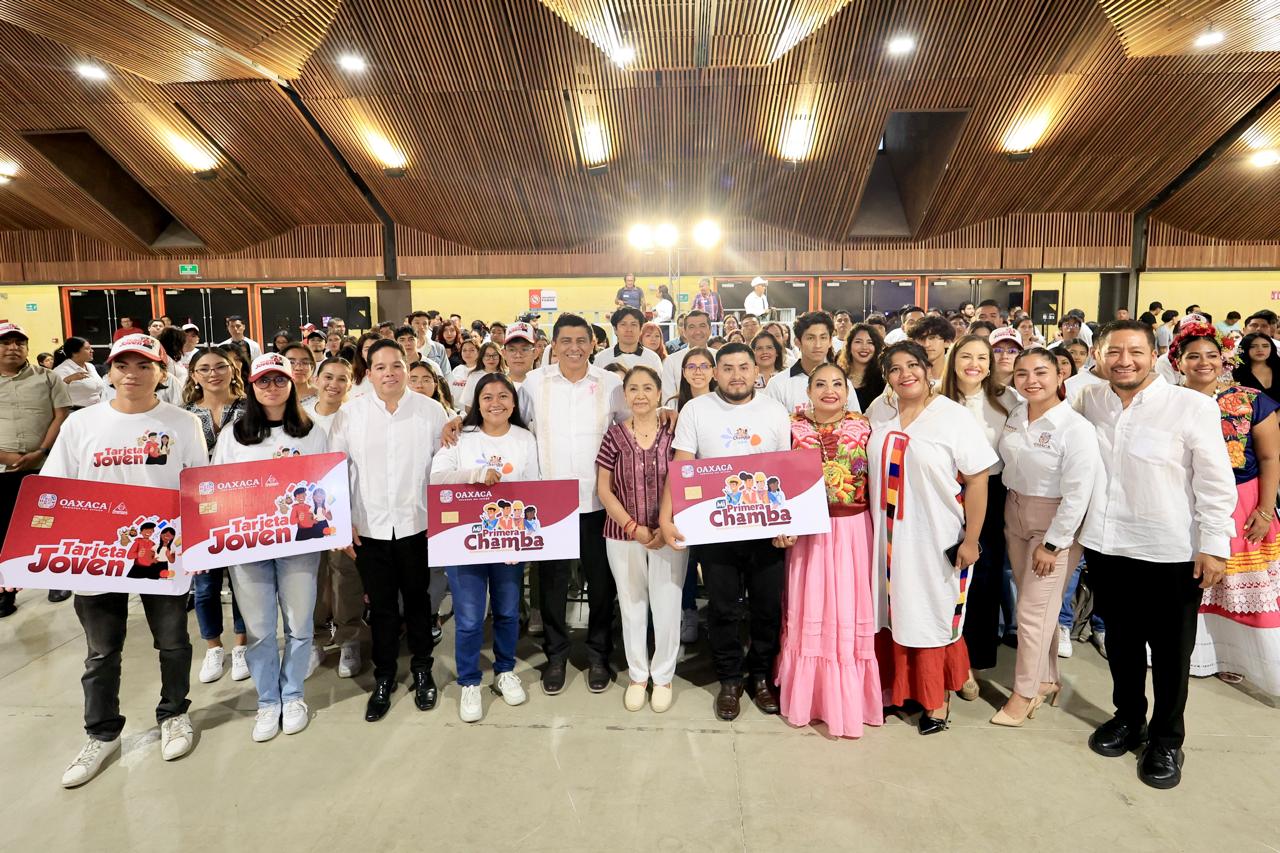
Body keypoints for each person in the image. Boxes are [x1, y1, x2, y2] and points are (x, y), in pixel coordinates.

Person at [35, 333, 204, 786]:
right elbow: (53, 490)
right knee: (101, 652)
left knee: (173, 642)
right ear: (109, 372)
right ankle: (102, 732)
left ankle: (174, 714)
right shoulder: (81, 424)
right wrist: (28, 552)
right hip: (96, 555)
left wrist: (200, 546)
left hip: (165, 555)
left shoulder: (183, 423)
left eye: (144, 365)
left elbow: (197, 487)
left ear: (161, 373)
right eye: (122, 365)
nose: (132, 374)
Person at [1076, 319, 1235, 790]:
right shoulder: (1090, 400)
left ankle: (1167, 739)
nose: (1124, 361)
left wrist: (1214, 546)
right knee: (1121, 646)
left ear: (1155, 356)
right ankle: (1129, 718)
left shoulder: (1191, 407)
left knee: (1170, 655)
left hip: (1171, 551)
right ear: (1098, 356)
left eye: (1135, 352)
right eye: (1113, 352)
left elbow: (1215, 481)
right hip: (1108, 547)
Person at [867, 341, 996, 735]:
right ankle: (897, 690)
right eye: (895, 368)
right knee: (892, 611)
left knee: (931, 613)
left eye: (912, 365)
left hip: (934, 537)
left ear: (928, 369)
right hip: (885, 541)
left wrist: (971, 539)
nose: (905, 374)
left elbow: (977, 481)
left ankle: (936, 699)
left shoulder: (953, 417)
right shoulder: (878, 412)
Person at [660, 342, 791, 721]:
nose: (736, 375)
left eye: (743, 367)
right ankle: (730, 679)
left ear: (756, 372)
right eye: (728, 368)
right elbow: (682, 468)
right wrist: (667, 518)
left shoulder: (774, 410)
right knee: (722, 609)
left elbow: (784, 471)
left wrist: (788, 524)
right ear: (715, 373)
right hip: (715, 529)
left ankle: (761, 675)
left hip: (766, 530)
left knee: (767, 607)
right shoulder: (696, 410)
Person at [330, 339, 456, 722]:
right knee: (381, 607)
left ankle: (422, 669)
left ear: (407, 367)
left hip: (418, 525)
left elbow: (445, 464)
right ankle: (383, 677)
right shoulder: (350, 415)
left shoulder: (431, 411)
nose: (390, 373)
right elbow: (335, 470)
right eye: (381, 367)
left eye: (397, 365)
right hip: (369, 529)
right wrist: (342, 522)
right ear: (368, 373)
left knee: (419, 603)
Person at [213, 353, 328, 742]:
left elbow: (326, 486)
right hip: (248, 546)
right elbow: (215, 488)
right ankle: (268, 700)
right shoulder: (233, 435)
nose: (272, 387)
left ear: (292, 385)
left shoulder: (312, 432)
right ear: (251, 386)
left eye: (280, 380)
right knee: (260, 629)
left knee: (299, 624)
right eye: (264, 381)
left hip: (299, 543)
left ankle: (293, 694)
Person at [518, 314, 630, 695]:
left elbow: (629, 426)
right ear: (553, 345)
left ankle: (599, 653)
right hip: (550, 504)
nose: (574, 348)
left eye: (582, 340)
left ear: (593, 344)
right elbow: (516, 426)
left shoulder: (610, 384)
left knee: (601, 584)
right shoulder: (535, 383)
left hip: (599, 501)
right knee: (551, 586)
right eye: (565, 340)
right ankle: (556, 656)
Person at [1170, 324, 1280, 696]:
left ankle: (1236, 658)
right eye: (1193, 356)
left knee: (1233, 585)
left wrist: (1264, 511)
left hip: (1241, 501)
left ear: (1224, 359)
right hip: (1182, 499)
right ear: (1179, 362)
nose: (1203, 363)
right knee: (1189, 580)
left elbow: (1270, 457)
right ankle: (1190, 655)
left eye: (1211, 355)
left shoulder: (1251, 400)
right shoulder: (1168, 401)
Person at [773, 363, 882, 738]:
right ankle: (810, 695)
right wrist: (782, 523)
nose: (829, 390)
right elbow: (777, 478)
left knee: (848, 608)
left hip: (853, 530)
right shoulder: (791, 427)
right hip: (807, 533)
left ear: (848, 391)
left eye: (837, 383)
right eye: (820, 384)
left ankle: (849, 699)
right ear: (808, 392)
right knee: (810, 605)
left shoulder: (865, 427)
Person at [992, 347, 1099, 726]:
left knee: (1030, 613)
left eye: (1040, 372)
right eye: (1022, 373)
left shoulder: (1075, 428)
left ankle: (1024, 693)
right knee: (1040, 609)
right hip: (1015, 513)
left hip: (1052, 523)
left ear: (1060, 375)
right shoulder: (1017, 414)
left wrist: (1054, 543)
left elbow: (1079, 493)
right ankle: (1048, 678)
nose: (1031, 380)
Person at [430, 373, 539, 722]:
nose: (496, 403)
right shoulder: (461, 436)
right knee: (469, 617)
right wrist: (475, 475)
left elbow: (535, 486)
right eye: (487, 396)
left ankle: (505, 670)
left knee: (507, 612)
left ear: (514, 402)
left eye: (503, 396)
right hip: (465, 541)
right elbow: (437, 478)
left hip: (508, 540)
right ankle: (470, 681)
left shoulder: (524, 438)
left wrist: (521, 541)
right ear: (476, 402)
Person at [597, 365, 685, 713]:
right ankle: (638, 675)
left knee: (668, 604)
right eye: (633, 389)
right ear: (625, 395)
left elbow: (686, 478)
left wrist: (665, 525)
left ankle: (663, 676)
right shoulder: (614, 436)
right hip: (623, 535)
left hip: (670, 532)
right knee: (632, 604)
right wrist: (634, 527)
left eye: (648, 388)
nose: (641, 395)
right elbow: (604, 490)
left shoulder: (675, 432)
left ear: (660, 393)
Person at [940, 334, 1016, 692]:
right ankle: (943, 654)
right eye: (966, 356)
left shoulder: (1007, 400)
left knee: (983, 579)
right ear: (953, 360)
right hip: (944, 493)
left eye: (982, 358)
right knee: (944, 577)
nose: (974, 364)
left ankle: (971, 660)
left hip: (990, 494)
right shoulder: (934, 399)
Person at [182, 347, 250, 683]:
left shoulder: (250, 408)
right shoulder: (184, 415)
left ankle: (241, 645)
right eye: (205, 368)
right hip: (199, 508)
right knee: (205, 585)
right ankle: (213, 646)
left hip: (241, 504)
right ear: (194, 375)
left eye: (220, 366)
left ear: (232, 369)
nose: (213, 373)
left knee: (242, 582)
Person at [0, 322, 73, 615]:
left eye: (19, 342)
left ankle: (56, 577)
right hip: (3, 469)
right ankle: (5, 589)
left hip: (45, 464)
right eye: (5, 342)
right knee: (4, 529)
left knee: (49, 522)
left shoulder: (48, 377)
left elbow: (61, 415)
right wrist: (4, 456)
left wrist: (41, 451)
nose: (13, 348)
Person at [302, 357, 365, 680]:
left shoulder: (356, 416)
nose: (334, 384)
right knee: (311, 577)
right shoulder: (299, 417)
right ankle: (315, 640)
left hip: (344, 510)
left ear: (351, 384)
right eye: (328, 377)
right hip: (304, 515)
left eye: (342, 378)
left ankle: (349, 639)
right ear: (315, 379)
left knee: (345, 577)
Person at [765, 312, 860, 415]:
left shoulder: (843, 383)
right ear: (798, 342)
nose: (817, 345)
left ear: (830, 342)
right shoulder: (778, 384)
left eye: (823, 338)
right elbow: (769, 422)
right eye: (810, 338)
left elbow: (856, 421)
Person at [661, 310, 714, 399]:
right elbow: (668, 399)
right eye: (692, 327)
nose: (698, 332)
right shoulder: (671, 361)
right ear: (684, 332)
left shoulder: (720, 358)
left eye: (702, 326)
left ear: (710, 330)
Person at [595, 307, 662, 372]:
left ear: (641, 330)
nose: (629, 329)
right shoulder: (602, 358)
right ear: (615, 329)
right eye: (623, 324)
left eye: (633, 324)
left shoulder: (652, 358)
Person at [836, 323, 886, 411]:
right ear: (849, 345)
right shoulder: (837, 374)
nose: (864, 347)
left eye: (870, 342)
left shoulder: (883, 379)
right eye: (858, 342)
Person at [52, 337, 105, 410]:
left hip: (96, 409)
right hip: (75, 411)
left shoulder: (90, 366)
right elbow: (54, 393)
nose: (92, 351)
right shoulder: (61, 370)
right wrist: (67, 380)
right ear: (74, 353)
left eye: (91, 348)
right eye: (87, 349)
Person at [1233, 332, 1280, 405]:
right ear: (1244, 348)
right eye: (1253, 346)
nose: (1260, 349)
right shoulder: (1237, 373)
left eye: (1265, 346)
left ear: (1272, 348)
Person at [459, 342, 506, 413]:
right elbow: (468, 404)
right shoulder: (474, 376)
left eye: (494, 355)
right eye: (487, 355)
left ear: (500, 356)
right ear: (481, 357)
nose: (491, 359)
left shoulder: (507, 374)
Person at [906, 314, 956, 381]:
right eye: (921, 338)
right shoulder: (906, 376)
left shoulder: (958, 375)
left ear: (947, 342)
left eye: (932, 338)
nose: (926, 344)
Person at [501, 322, 538, 387]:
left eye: (524, 349)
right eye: (512, 350)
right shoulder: (494, 387)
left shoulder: (547, 387)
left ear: (535, 353)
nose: (518, 355)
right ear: (504, 353)